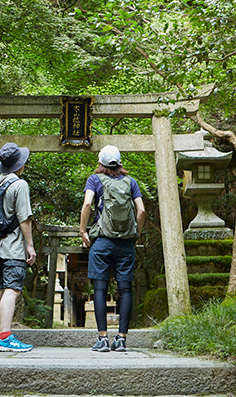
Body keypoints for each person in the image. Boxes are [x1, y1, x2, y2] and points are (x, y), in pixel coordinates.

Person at [79, 145, 145, 352]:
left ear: (100, 162)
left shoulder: (94, 179)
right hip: (125, 243)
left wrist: (83, 231)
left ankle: (103, 339)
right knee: (125, 290)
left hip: (102, 242)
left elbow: (87, 205)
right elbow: (141, 210)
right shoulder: (131, 182)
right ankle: (122, 339)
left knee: (100, 288)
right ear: (119, 162)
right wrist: (136, 234)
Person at [0, 142, 37, 352]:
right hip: (13, 247)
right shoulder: (19, 185)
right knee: (12, 290)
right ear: (19, 165)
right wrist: (30, 246)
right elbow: (24, 219)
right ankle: (6, 337)